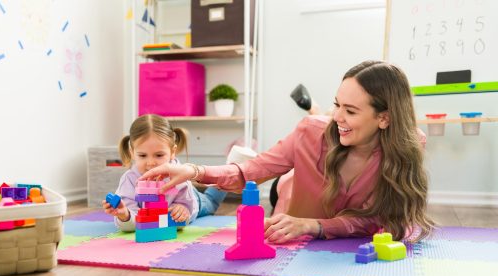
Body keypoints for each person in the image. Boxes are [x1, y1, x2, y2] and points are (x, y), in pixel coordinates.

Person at [139, 60, 435, 243]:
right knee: (285, 180)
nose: (339, 116)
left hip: (313, 211)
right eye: (337, 105)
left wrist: (315, 226)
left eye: (351, 110)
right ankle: (291, 177)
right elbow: (253, 170)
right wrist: (196, 171)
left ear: (384, 118)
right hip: (290, 193)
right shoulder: (311, 132)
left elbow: (382, 219)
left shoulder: (407, 146)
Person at [102, 114, 227, 231]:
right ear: (132, 153)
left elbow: (187, 210)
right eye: (142, 155)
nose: (150, 163)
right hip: (160, 211)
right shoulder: (129, 179)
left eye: (159, 155)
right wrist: (125, 215)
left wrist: (182, 210)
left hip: (194, 199)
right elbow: (132, 219)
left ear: (172, 152)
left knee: (211, 202)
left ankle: (227, 170)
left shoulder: (177, 175)